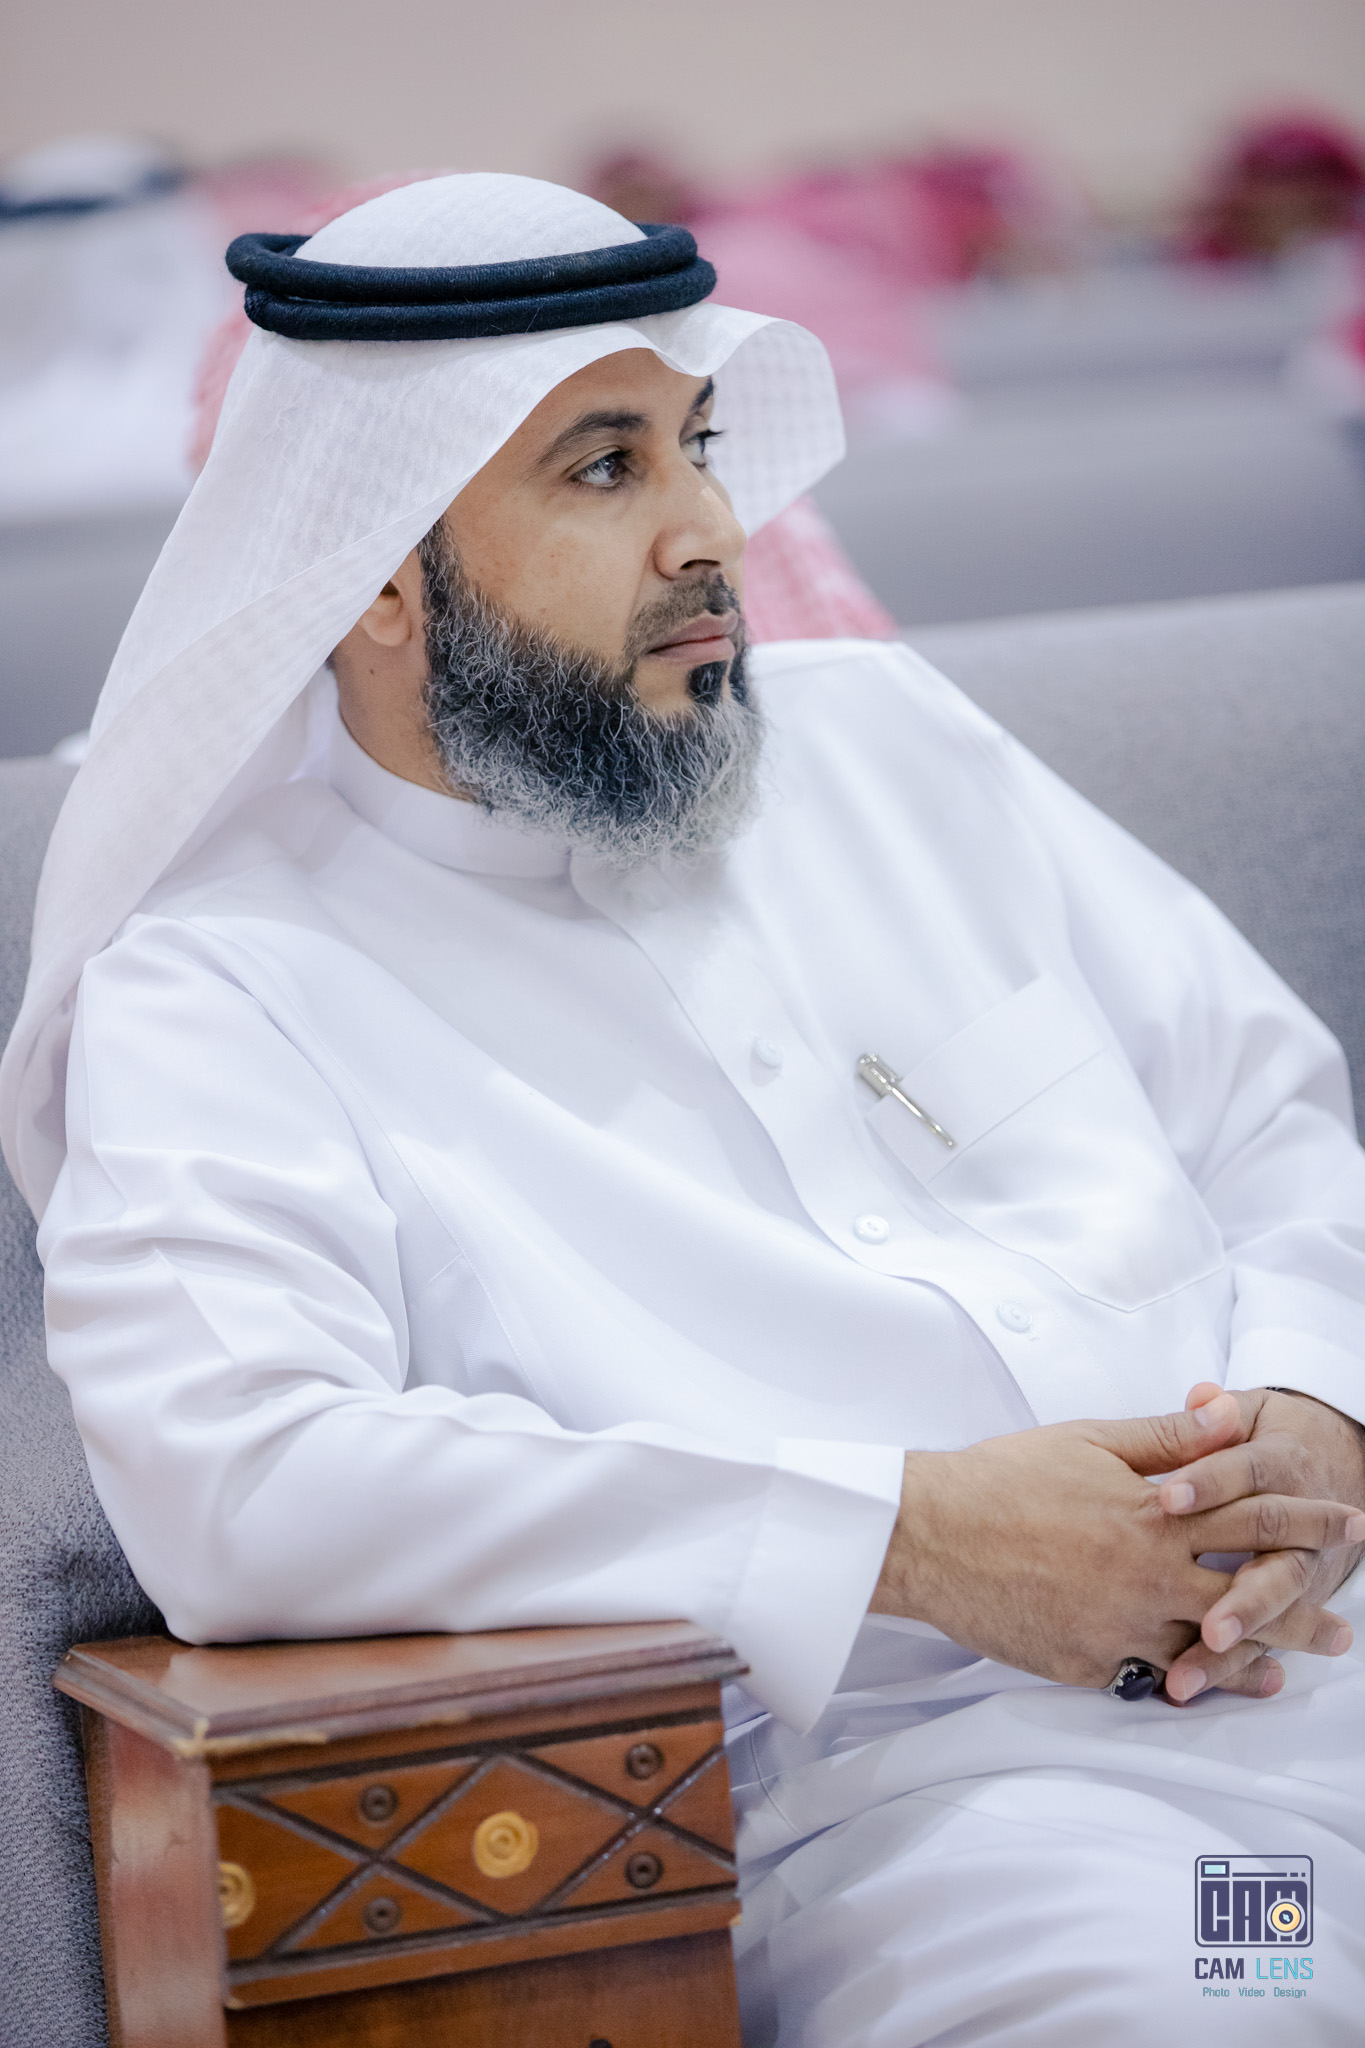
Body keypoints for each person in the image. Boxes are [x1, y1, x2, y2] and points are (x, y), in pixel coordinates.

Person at [6, 174, 1364, 2043]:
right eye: (603, 468)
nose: (711, 530)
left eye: (698, 446)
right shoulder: (227, 985)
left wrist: (1317, 1400)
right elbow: (243, 1480)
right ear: (378, 572)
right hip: (1014, 1824)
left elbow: (1271, 1119)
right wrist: (910, 1537)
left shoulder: (888, 747)